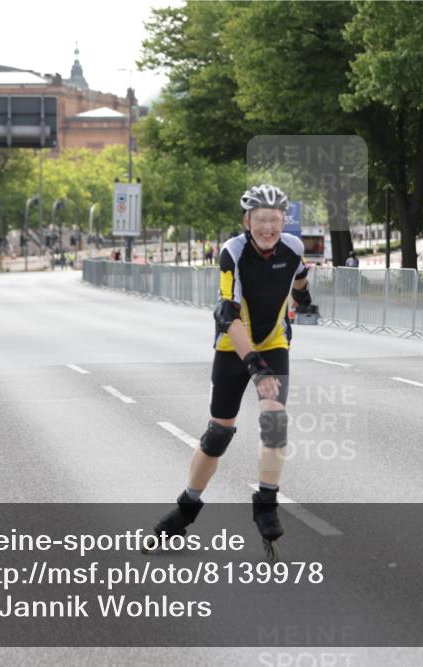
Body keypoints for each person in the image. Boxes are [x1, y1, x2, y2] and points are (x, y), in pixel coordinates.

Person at [149, 184, 310, 561]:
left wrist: (302, 296)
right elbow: (227, 313)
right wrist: (253, 365)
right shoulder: (232, 252)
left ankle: (266, 504)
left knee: (275, 421)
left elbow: (300, 274)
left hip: (273, 343)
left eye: (274, 220)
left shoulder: (294, 248)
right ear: (246, 222)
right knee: (219, 432)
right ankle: (186, 508)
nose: (268, 228)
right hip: (233, 347)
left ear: (284, 221)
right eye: (260, 221)